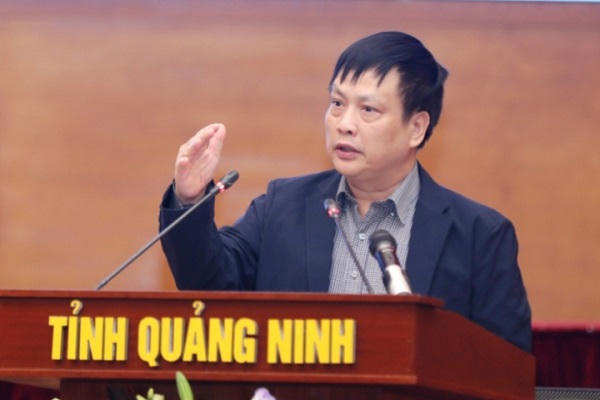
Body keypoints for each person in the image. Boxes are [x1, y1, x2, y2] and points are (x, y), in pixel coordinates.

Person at [159, 31, 531, 352]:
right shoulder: (281, 207)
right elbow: (208, 285)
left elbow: (505, 370)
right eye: (337, 104)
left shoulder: (480, 236)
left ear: (416, 128)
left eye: (368, 110)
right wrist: (189, 199)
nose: (345, 124)